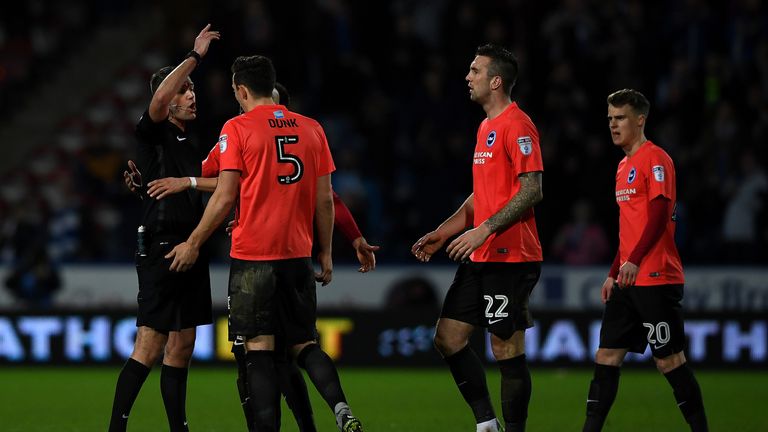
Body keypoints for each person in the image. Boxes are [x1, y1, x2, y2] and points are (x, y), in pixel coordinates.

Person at [126, 82, 378, 432]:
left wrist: (193, 213)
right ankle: (334, 411)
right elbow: (328, 198)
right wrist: (347, 242)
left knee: (254, 356)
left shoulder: (240, 132)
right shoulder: (307, 131)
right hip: (297, 256)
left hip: (254, 258)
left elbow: (216, 181)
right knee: (300, 347)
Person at [412, 44, 543, 432]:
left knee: (504, 346)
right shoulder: (485, 126)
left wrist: (484, 229)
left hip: (512, 255)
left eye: (475, 71)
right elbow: (481, 197)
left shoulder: (518, 125)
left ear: (496, 80)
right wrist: (443, 231)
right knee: (448, 337)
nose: (467, 77)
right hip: (482, 254)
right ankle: (488, 424)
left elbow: (532, 189)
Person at [107, 24, 220, 432]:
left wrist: (170, 188)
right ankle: (116, 428)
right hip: (161, 246)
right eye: (184, 90)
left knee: (183, 346)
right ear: (166, 101)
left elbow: (219, 185)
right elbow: (157, 97)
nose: (193, 95)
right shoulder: (151, 130)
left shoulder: (189, 141)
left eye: (193, 89)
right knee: (150, 345)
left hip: (193, 244)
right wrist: (195, 56)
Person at [581, 89, 708, 431]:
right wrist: (613, 272)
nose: (613, 125)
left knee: (669, 361)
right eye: (610, 118)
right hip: (627, 277)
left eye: (620, 118)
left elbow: (659, 213)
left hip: (656, 276)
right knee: (606, 356)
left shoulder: (656, 158)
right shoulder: (623, 167)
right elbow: (630, 229)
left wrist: (634, 260)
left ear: (640, 119)